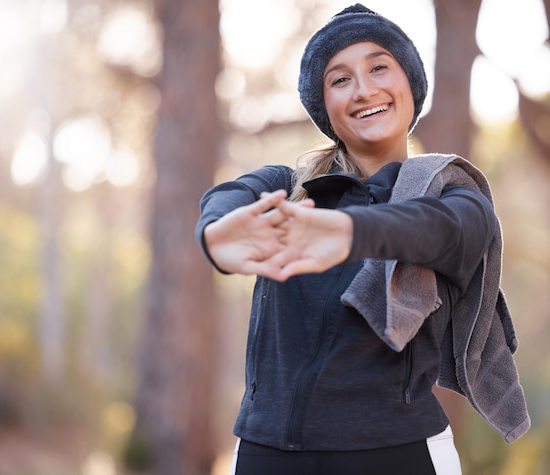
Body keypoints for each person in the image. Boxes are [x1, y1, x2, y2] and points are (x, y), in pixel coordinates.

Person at [195, 4, 530, 474]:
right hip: (265, 453)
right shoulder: (289, 188)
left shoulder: (452, 193)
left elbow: (447, 230)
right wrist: (214, 235)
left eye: (378, 67)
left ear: (409, 83)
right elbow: (227, 198)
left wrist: (352, 233)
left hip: (399, 454)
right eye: (340, 79)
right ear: (325, 106)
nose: (364, 89)